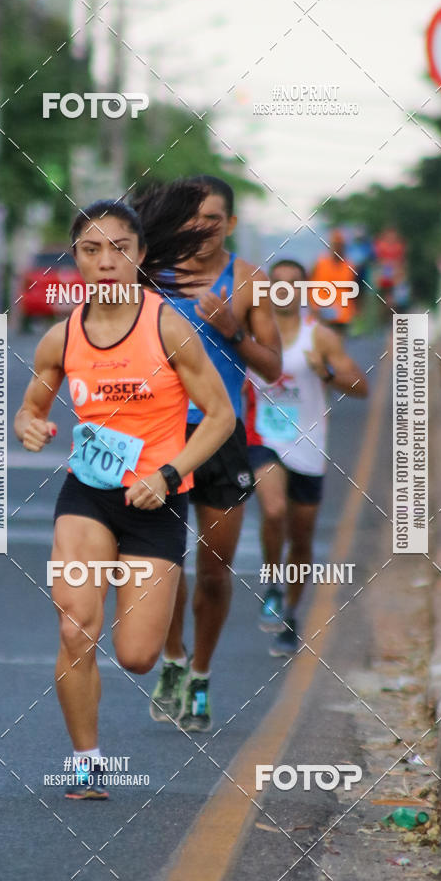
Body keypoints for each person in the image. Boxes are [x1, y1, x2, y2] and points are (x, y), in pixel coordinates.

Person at [14, 182, 236, 799]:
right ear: (76, 258)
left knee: (137, 655)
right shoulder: (62, 337)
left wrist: (167, 474)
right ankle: (86, 763)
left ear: (139, 255)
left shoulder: (168, 328)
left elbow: (220, 418)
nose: (105, 260)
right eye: (90, 248)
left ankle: (161, 654)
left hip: (156, 501)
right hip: (88, 496)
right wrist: (31, 425)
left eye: (118, 247)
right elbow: (31, 406)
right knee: (74, 629)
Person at [147, 175, 282, 732]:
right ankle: (173, 659)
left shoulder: (249, 280)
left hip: (223, 436)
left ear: (230, 222)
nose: (201, 228)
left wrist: (230, 329)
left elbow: (272, 366)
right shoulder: (148, 275)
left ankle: (201, 673)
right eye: (191, 217)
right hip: (160, 433)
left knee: (215, 569)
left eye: (213, 218)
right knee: (163, 564)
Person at [246, 258, 368, 656]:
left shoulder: (320, 338)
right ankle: (273, 585)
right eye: (275, 284)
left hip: (308, 443)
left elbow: (361, 387)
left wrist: (326, 373)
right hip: (263, 437)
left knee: (301, 539)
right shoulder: (251, 334)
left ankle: (291, 613)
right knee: (275, 510)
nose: (283, 290)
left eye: (291, 284)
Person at [311, 230, 357, 336]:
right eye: (335, 244)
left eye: (340, 245)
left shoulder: (350, 266)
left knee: (338, 345)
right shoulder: (319, 263)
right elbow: (307, 284)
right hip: (321, 312)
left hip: (343, 315)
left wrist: (356, 312)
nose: (337, 248)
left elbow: (357, 290)